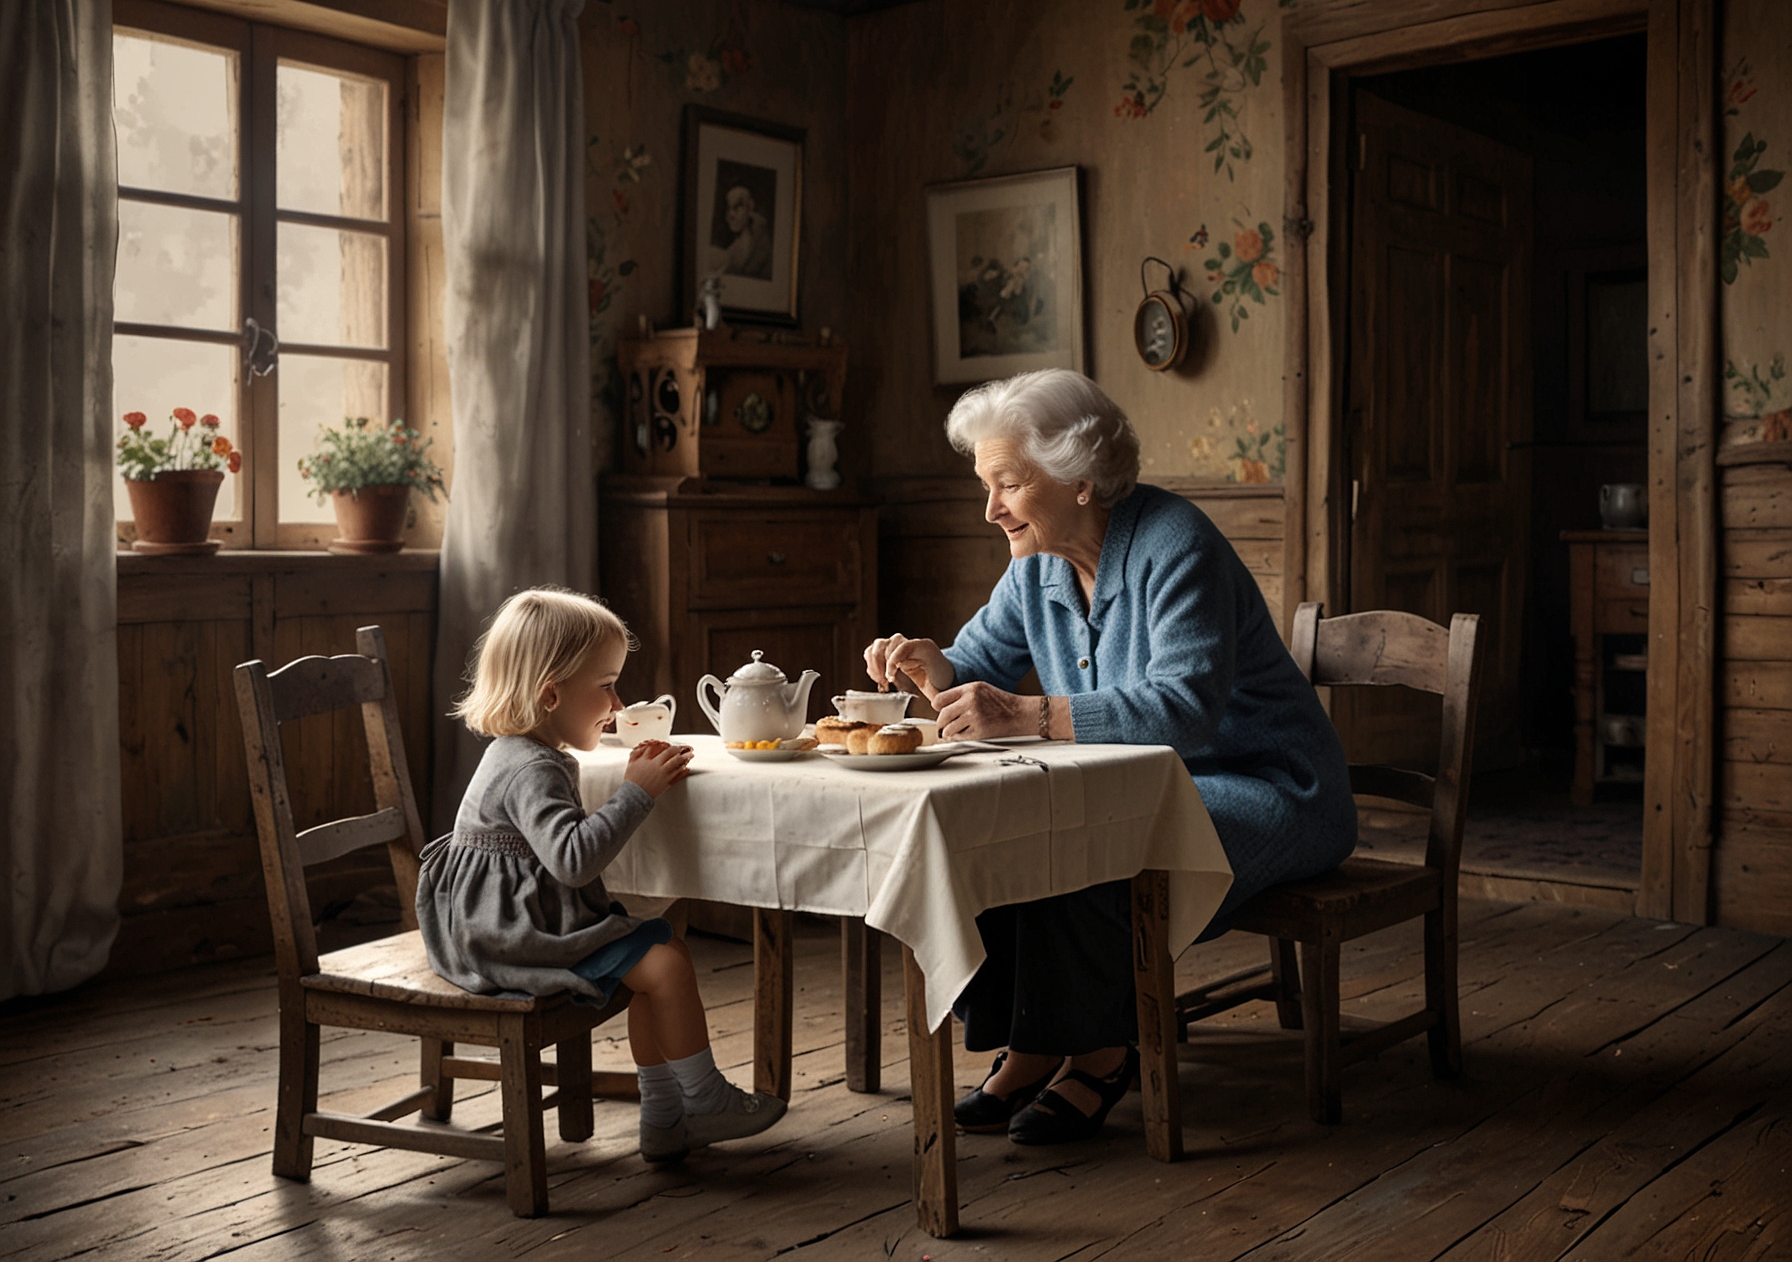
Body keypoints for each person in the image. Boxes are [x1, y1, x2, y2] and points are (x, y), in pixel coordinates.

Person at [864, 371, 1354, 1147]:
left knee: (1102, 846)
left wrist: (1028, 713)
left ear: (1079, 479)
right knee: (1009, 828)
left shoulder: (1175, 544)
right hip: (1147, 785)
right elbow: (978, 660)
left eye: (1008, 485)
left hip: (1268, 786)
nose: (990, 508)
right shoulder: (1036, 561)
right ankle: (1033, 1042)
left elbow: (1184, 710)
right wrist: (935, 666)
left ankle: (1100, 1050)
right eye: (986, 485)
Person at [417, 587, 786, 1163]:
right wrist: (636, 793)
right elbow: (573, 858)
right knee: (664, 963)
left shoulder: (523, 750)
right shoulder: (531, 768)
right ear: (549, 693)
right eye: (606, 685)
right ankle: (703, 1098)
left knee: (658, 953)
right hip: (505, 932)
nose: (618, 703)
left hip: (506, 916)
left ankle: (664, 1117)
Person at [720, 185, 771, 279]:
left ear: (750, 207)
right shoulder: (732, 249)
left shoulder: (763, 239)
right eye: (729, 209)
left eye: (737, 208)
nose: (730, 215)